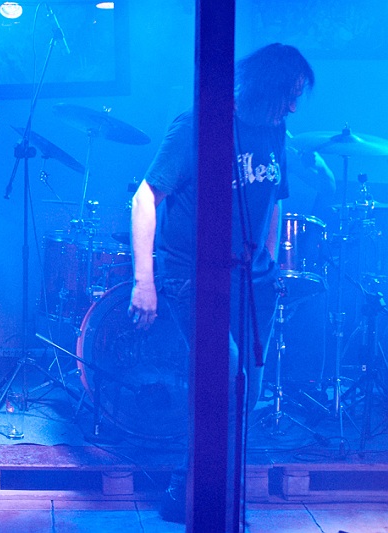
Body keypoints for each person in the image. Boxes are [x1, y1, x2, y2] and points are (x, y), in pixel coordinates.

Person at [127, 43, 315, 523]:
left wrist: (269, 263)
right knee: (225, 372)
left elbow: (274, 198)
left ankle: (196, 486)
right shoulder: (197, 125)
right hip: (192, 273)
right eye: (288, 95)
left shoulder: (275, 128)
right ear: (263, 88)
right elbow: (145, 197)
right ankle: (204, 492)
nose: (294, 107)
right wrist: (143, 280)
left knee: (248, 388)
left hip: (252, 279)